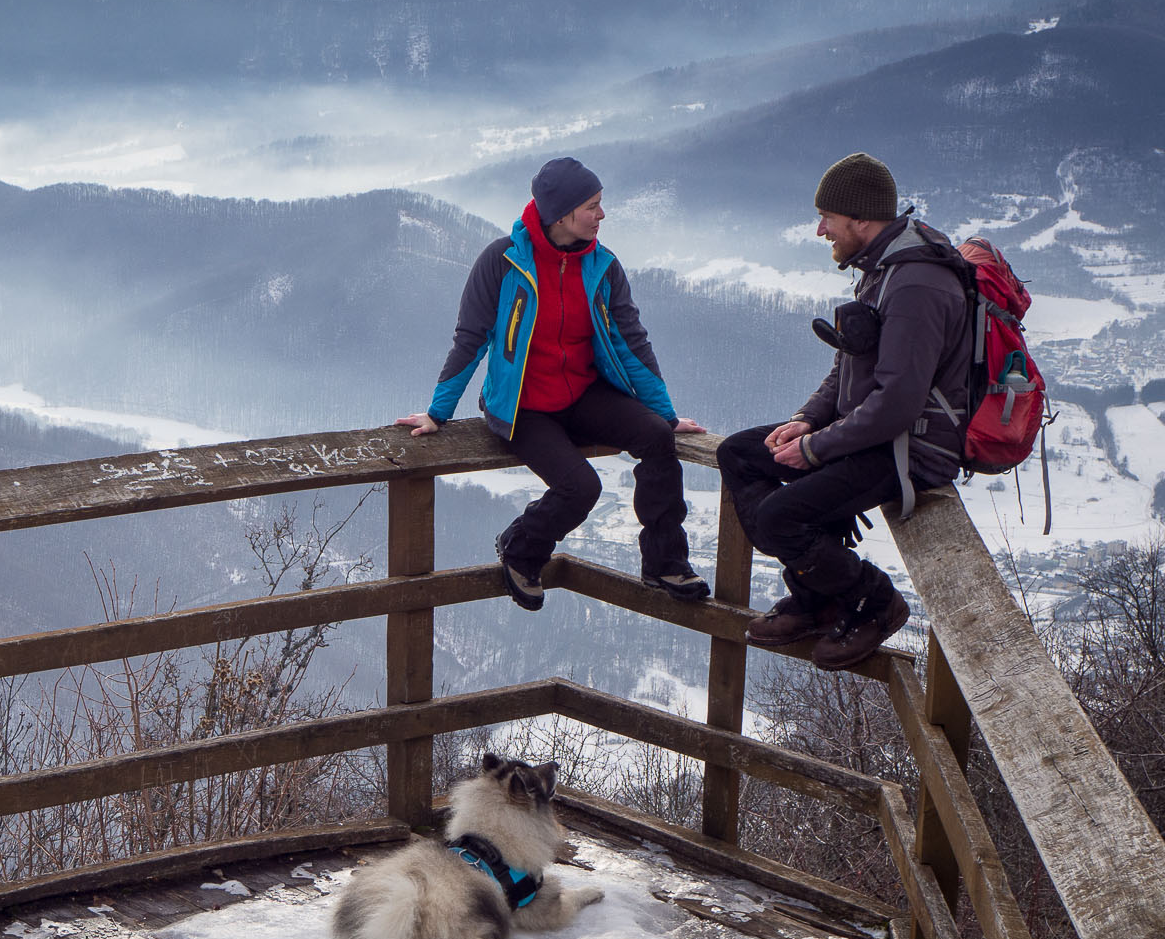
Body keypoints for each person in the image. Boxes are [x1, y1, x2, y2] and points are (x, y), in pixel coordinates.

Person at [398, 156, 709, 612]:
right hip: (525, 406)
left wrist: (662, 412)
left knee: (657, 437)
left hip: (582, 394)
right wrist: (438, 411)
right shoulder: (503, 262)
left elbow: (631, 344)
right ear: (560, 213)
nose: (602, 215)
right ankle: (522, 548)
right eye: (593, 205)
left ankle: (665, 562)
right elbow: (472, 339)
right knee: (581, 487)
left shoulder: (602, 267)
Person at [716, 152, 971, 670]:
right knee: (740, 453)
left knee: (781, 517)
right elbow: (848, 367)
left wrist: (814, 450)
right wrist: (808, 420)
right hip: (868, 432)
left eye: (827, 218)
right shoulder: (883, 267)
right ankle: (819, 596)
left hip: (908, 447)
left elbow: (897, 404)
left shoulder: (916, 283)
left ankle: (874, 603)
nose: (819, 230)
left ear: (861, 219)